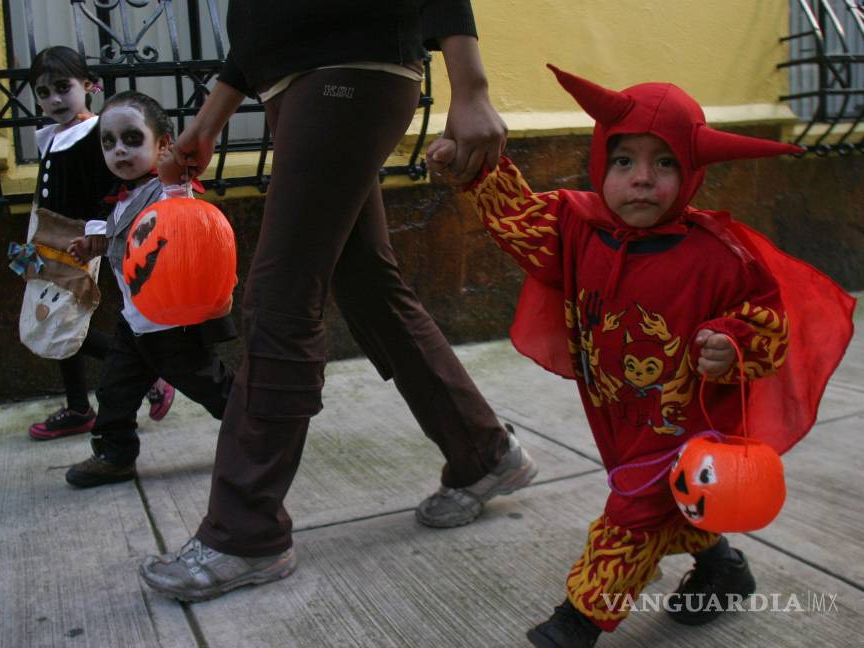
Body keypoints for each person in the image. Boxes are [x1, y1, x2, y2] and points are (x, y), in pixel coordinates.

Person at [429, 65, 856, 647]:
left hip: (685, 420)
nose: (642, 180)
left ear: (693, 172)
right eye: (624, 160)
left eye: (666, 164)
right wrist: (473, 168)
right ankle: (722, 571)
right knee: (670, 502)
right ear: (601, 158)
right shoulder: (574, 226)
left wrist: (731, 345)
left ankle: (577, 622)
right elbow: (515, 219)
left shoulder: (721, 257)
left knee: (633, 510)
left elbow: (767, 322)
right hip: (620, 411)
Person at [138, 1, 538, 601]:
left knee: (281, 294)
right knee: (367, 284)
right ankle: (483, 451)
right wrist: (211, 119)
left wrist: (471, 85)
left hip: (350, 68)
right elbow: (259, 19)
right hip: (303, 84)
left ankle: (245, 534)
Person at [63, 91, 236, 488]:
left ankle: (259, 430)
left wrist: (178, 172)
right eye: (109, 142)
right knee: (114, 391)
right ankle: (114, 455)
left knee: (211, 386)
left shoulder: (168, 191)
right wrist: (98, 241)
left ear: (164, 145)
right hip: (134, 322)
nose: (119, 150)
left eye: (132, 139)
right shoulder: (122, 199)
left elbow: (179, 229)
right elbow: (130, 240)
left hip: (173, 326)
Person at [22, 46, 175, 440]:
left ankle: (149, 374)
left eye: (62, 87)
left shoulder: (95, 134)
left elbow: (107, 188)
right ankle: (78, 406)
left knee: (63, 322)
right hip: (45, 237)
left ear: (89, 86)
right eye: (43, 92)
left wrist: (94, 235)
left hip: (77, 239)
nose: (54, 99)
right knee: (51, 320)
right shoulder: (54, 135)